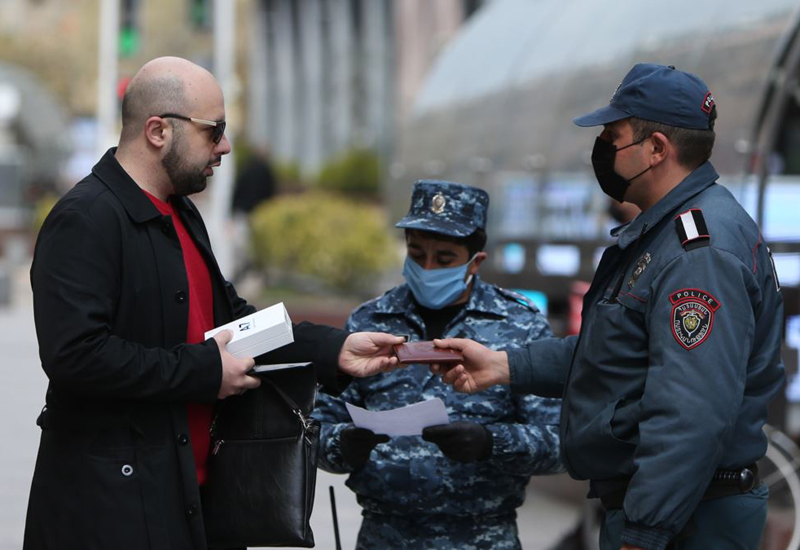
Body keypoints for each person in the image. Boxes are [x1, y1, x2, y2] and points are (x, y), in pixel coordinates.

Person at [23, 56, 403, 550]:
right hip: (111, 512)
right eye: (214, 129)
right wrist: (205, 372)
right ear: (158, 130)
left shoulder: (181, 213)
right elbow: (75, 356)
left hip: (196, 504)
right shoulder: (86, 219)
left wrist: (334, 347)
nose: (224, 146)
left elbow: (234, 322)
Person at [434, 64, 785, 550]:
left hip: (687, 522)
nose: (602, 148)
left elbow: (691, 410)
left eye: (613, 135)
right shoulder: (663, 234)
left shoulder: (699, 252)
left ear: (657, 148)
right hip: (669, 511)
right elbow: (618, 350)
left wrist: (644, 532)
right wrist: (503, 365)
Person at [313, 180, 563, 549]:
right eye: (416, 254)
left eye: (444, 259)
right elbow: (316, 429)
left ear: (475, 262)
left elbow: (560, 442)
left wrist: (491, 442)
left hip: (483, 536)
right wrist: (343, 444)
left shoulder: (520, 324)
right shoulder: (369, 322)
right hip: (383, 535)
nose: (427, 267)